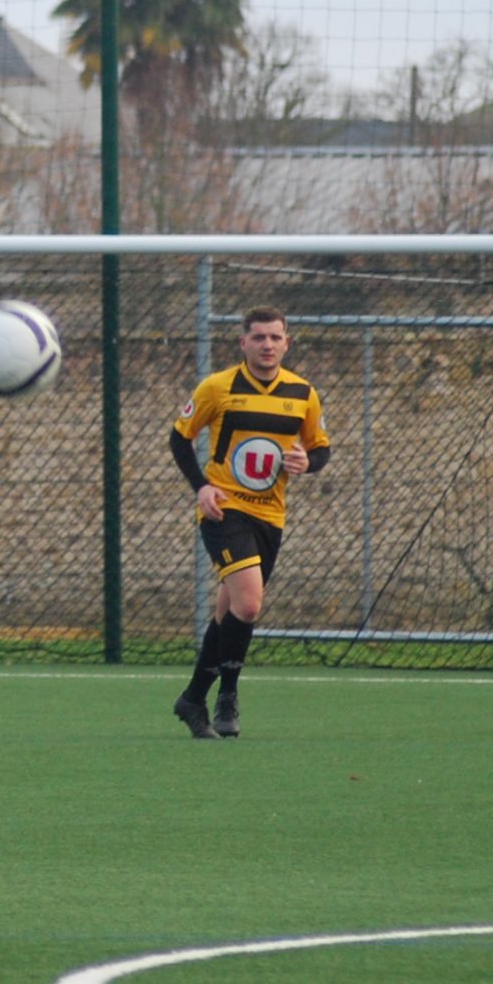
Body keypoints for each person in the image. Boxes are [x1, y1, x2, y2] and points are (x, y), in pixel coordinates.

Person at [168, 306, 329, 739]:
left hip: (270, 515)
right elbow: (180, 438)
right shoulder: (217, 387)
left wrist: (307, 462)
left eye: (275, 337)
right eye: (258, 337)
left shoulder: (303, 393)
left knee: (230, 612)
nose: (267, 345)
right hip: (224, 511)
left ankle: (193, 698)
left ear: (287, 343)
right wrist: (202, 487)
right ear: (243, 343)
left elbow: (320, 448)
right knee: (250, 605)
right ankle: (226, 696)